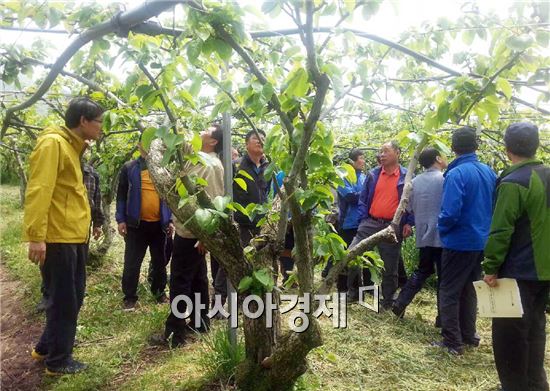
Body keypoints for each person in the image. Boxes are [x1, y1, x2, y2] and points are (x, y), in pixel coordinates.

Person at [25, 97, 104, 375]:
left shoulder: (71, 147)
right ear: (83, 121)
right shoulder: (53, 145)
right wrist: (36, 236)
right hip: (59, 238)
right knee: (65, 298)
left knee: (71, 296)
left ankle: (47, 347)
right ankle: (58, 361)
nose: (101, 128)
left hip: (73, 236)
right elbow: (39, 189)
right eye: (98, 122)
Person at [482, 122, 549, 391]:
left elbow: (501, 230)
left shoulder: (513, 182)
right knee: (535, 328)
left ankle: (514, 386)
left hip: (519, 270)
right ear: (536, 145)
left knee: (509, 336)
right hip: (544, 271)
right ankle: (537, 384)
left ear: (507, 149)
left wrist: (490, 266)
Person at [149, 124, 225, 347]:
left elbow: (214, 199)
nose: (199, 132)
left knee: (180, 281)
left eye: (205, 132)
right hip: (188, 228)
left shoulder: (212, 166)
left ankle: (175, 333)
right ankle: (201, 323)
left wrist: (205, 235)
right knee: (198, 280)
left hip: (193, 231)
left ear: (213, 142)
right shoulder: (197, 158)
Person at [433, 126, 497, 355]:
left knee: (449, 290)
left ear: (453, 147)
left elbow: (450, 212)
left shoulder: (456, 174)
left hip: (459, 241)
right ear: (476, 145)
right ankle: (469, 336)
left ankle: (452, 342)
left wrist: (443, 228)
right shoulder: (488, 171)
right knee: (469, 290)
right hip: (481, 241)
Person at [348, 141, 413, 308]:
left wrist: (408, 223)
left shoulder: (406, 176)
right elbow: (363, 199)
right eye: (380, 151)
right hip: (370, 223)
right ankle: (354, 292)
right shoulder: (373, 175)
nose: (381, 154)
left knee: (390, 266)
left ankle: (387, 300)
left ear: (397, 152)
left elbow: (411, 202)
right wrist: (363, 220)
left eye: (386, 151)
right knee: (353, 254)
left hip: (392, 226)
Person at [36, 160, 105, 313]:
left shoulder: (92, 174)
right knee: (51, 265)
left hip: (82, 228)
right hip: (59, 227)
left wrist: (98, 224)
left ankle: (76, 293)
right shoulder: (59, 167)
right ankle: (48, 294)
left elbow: (96, 200)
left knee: (79, 263)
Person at [116, 140, 173, 311]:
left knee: (159, 260)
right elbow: (121, 195)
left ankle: (159, 292)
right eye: (145, 143)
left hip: (159, 225)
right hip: (136, 225)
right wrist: (120, 219)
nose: (148, 147)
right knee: (132, 261)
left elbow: (170, 196)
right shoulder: (130, 167)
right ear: (139, 145)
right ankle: (130, 297)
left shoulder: (163, 168)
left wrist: (169, 219)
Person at [392, 147, 446, 324]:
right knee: (444, 276)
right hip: (443, 235)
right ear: (438, 158)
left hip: (424, 235)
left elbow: (409, 208)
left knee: (423, 270)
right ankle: (442, 317)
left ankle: (400, 302)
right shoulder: (445, 179)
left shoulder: (414, 182)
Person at [333, 148, 366, 292]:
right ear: (352, 161)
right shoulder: (342, 176)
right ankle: (342, 288)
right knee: (344, 257)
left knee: (360, 257)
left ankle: (357, 288)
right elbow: (350, 197)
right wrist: (365, 195)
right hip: (346, 223)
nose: (363, 161)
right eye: (361, 158)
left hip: (361, 222)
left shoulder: (364, 177)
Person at [233, 129, 270, 245]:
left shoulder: (267, 168)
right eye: (255, 138)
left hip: (261, 225)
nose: (260, 141)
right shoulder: (236, 165)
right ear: (246, 144)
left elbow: (267, 191)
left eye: (263, 139)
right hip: (241, 225)